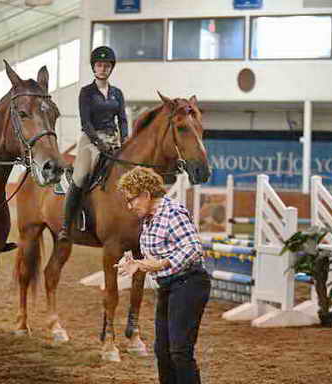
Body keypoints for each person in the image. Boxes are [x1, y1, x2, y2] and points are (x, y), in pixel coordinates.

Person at [116, 166, 211, 384]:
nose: (130, 206)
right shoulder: (149, 219)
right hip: (169, 286)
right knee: (163, 351)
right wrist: (137, 264)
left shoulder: (172, 212)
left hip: (190, 283)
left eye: (132, 200)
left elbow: (193, 247)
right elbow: (158, 254)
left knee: (179, 351)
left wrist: (161, 263)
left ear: (146, 194)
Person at [57, 45, 128, 241]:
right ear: (94, 68)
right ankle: (66, 224)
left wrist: (126, 139)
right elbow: (85, 122)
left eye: (106, 65)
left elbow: (122, 119)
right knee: (80, 177)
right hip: (91, 140)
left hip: (113, 139)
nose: (103, 69)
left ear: (111, 68)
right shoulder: (86, 92)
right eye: (99, 65)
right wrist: (98, 143)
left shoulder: (117, 93)